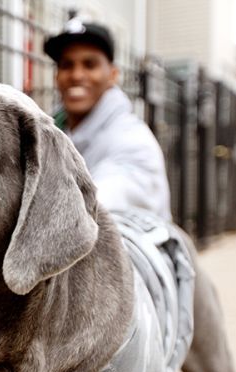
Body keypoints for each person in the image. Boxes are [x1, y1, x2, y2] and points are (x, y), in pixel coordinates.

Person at [44, 17, 172, 220]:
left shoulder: (134, 141)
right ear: (56, 76)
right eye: (67, 65)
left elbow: (94, 208)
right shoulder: (51, 133)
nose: (77, 75)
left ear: (113, 75)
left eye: (90, 64)